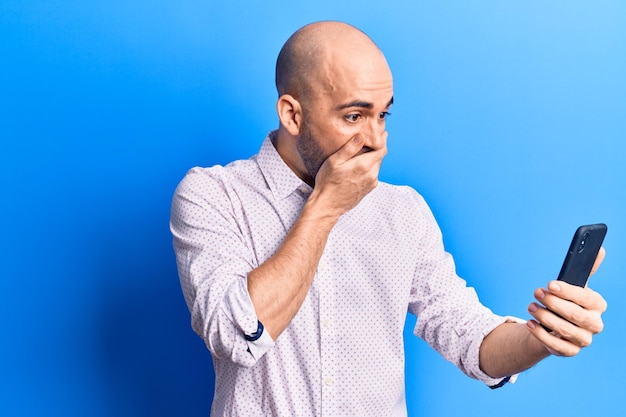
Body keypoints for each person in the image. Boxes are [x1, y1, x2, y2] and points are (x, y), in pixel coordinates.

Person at [170, 21, 607, 416]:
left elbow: (467, 333)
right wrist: (325, 206)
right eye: (354, 116)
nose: (376, 140)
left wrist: (540, 338)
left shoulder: (403, 212)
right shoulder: (214, 195)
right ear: (292, 114)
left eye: (383, 115)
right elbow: (234, 335)